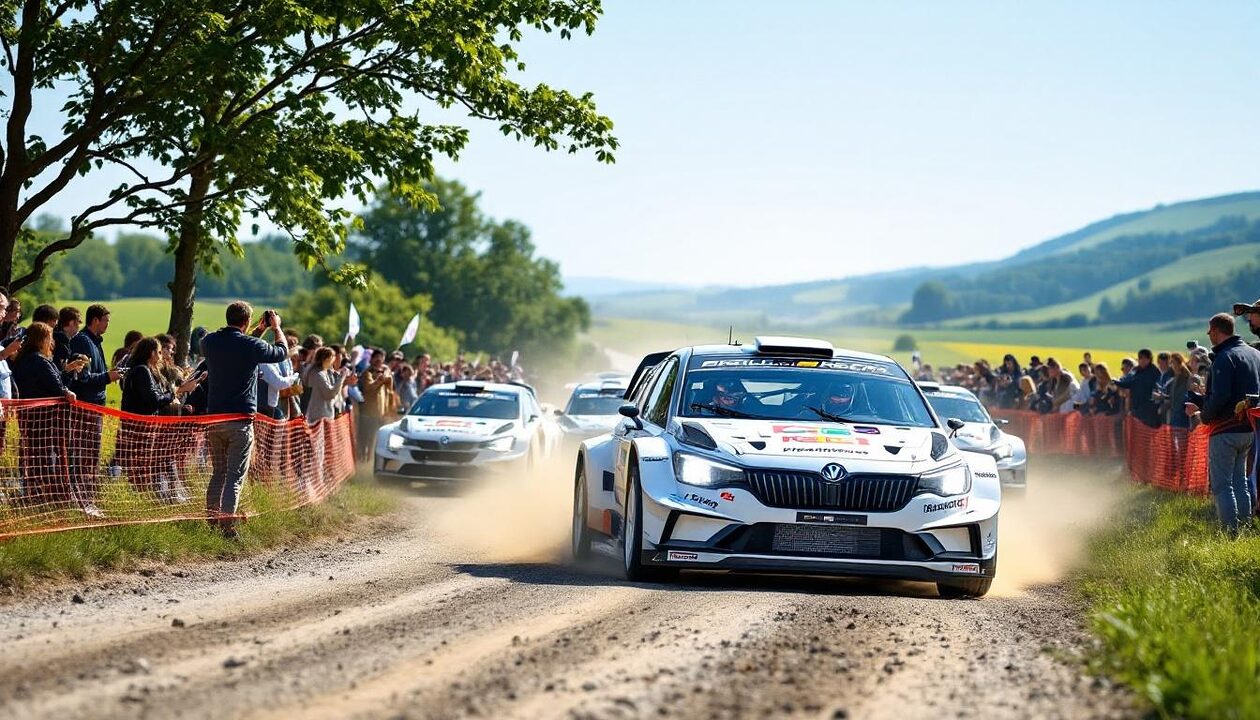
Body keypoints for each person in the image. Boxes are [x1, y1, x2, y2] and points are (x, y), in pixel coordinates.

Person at [200, 302, 289, 538]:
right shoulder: (249, 345)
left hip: (214, 419)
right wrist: (276, 328)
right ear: (246, 322)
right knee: (235, 477)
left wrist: (259, 330)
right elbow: (281, 352)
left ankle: (210, 521)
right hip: (239, 421)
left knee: (218, 473)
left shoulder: (209, 341)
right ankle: (227, 528)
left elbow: (239, 346)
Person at [1184, 314, 1260, 534]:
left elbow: (1221, 395)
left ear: (1217, 330)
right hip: (1249, 428)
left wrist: (1204, 415)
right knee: (1241, 482)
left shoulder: (1224, 357)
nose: (1208, 335)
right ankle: (1246, 529)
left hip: (1224, 430)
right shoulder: (1255, 354)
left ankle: (1230, 534)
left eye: (1210, 331)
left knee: (1222, 485)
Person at [11, 322, 87, 509]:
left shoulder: (22, 358)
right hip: (46, 418)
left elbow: (52, 379)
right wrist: (67, 392)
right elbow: (56, 387)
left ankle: (33, 492)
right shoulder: (40, 360)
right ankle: (48, 497)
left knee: (33, 454)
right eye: (49, 337)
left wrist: (67, 371)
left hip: (29, 417)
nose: (52, 341)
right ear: (43, 339)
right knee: (48, 455)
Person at [119, 337, 203, 502]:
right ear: (151, 353)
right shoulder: (142, 370)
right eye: (158, 351)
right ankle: (143, 497)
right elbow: (154, 398)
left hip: (144, 423)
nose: (161, 355)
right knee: (142, 463)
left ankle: (151, 495)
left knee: (150, 461)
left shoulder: (143, 369)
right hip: (141, 425)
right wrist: (176, 392)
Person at [67, 304, 123, 517]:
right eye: (106, 321)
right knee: (85, 455)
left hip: (96, 407)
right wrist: (109, 377)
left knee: (92, 455)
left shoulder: (94, 342)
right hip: (87, 408)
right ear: (96, 320)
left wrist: (109, 375)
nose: (108, 325)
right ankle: (82, 501)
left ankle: (88, 499)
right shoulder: (83, 341)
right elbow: (84, 379)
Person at [356, 348, 395, 461]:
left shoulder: (384, 372)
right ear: (372, 359)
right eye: (376, 358)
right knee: (366, 440)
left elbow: (390, 390)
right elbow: (368, 388)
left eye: (381, 359)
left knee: (376, 441)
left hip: (380, 414)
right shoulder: (367, 373)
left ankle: (371, 462)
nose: (379, 361)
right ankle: (363, 463)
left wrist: (387, 377)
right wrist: (379, 380)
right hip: (368, 414)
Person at [1114, 349, 1163, 428]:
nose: (1142, 360)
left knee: (1147, 437)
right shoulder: (1135, 370)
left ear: (1150, 359)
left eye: (1145, 358)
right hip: (1136, 411)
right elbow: (1126, 381)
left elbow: (1159, 387)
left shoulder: (1154, 371)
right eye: (1140, 358)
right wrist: (1115, 382)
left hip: (1149, 413)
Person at [305, 347, 352, 423]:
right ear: (327, 359)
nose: (334, 360)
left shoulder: (324, 372)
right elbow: (330, 394)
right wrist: (342, 377)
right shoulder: (318, 374)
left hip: (323, 416)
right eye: (333, 357)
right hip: (319, 417)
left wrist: (344, 377)